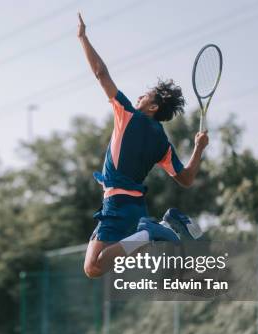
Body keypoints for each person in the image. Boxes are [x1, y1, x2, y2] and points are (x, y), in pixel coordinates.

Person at [77, 12, 209, 278]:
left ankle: (152, 232)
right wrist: (199, 148)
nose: (139, 95)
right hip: (128, 205)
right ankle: (157, 228)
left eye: (145, 95)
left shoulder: (127, 114)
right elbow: (186, 178)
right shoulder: (162, 141)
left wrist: (83, 38)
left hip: (120, 205)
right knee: (92, 267)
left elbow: (101, 73)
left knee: (95, 268)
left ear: (153, 106)